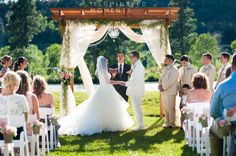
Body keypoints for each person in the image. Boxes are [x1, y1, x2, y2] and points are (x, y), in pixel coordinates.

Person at [58, 56, 134, 136]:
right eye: (106, 62)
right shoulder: (103, 71)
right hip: (106, 89)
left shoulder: (102, 70)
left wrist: (114, 73)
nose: (107, 64)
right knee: (106, 107)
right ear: (104, 63)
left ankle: (106, 124)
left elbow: (108, 72)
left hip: (106, 89)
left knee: (108, 107)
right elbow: (108, 81)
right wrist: (119, 82)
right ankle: (106, 124)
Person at [210, 53, 236, 156]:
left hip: (230, 126)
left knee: (213, 131)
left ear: (232, 66)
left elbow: (214, 111)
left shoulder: (223, 85)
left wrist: (219, 119)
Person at [0, 71, 29, 140]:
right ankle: (16, 150)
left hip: (1, 134)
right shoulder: (21, 98)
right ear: (14, 85)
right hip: (18, 134)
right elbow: (26, 118)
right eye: (18, 84)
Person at [121, 51, 145, 130]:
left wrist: (125, 83)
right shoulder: (134, 65)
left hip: (137, 90)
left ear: (135, 57)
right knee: (135, 108)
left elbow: (136, 80)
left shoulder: (139, 67)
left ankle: (140, 125)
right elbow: (133, 77)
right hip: (134, 90)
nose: (130, 58)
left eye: (131, 57)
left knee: (137, 108)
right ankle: (139, 124)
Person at [158, 55, 179, 128]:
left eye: (166, 59)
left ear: (170, 60)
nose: (164, 60)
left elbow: (171, 81)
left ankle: (172, 123)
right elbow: (160, 78)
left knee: (171, 108)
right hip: (164, 91)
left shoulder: (174, 69)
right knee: (165, 108)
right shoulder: (165, 68)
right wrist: (159, 85)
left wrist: (163, 87)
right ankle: (166, 122)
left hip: (170, 92)